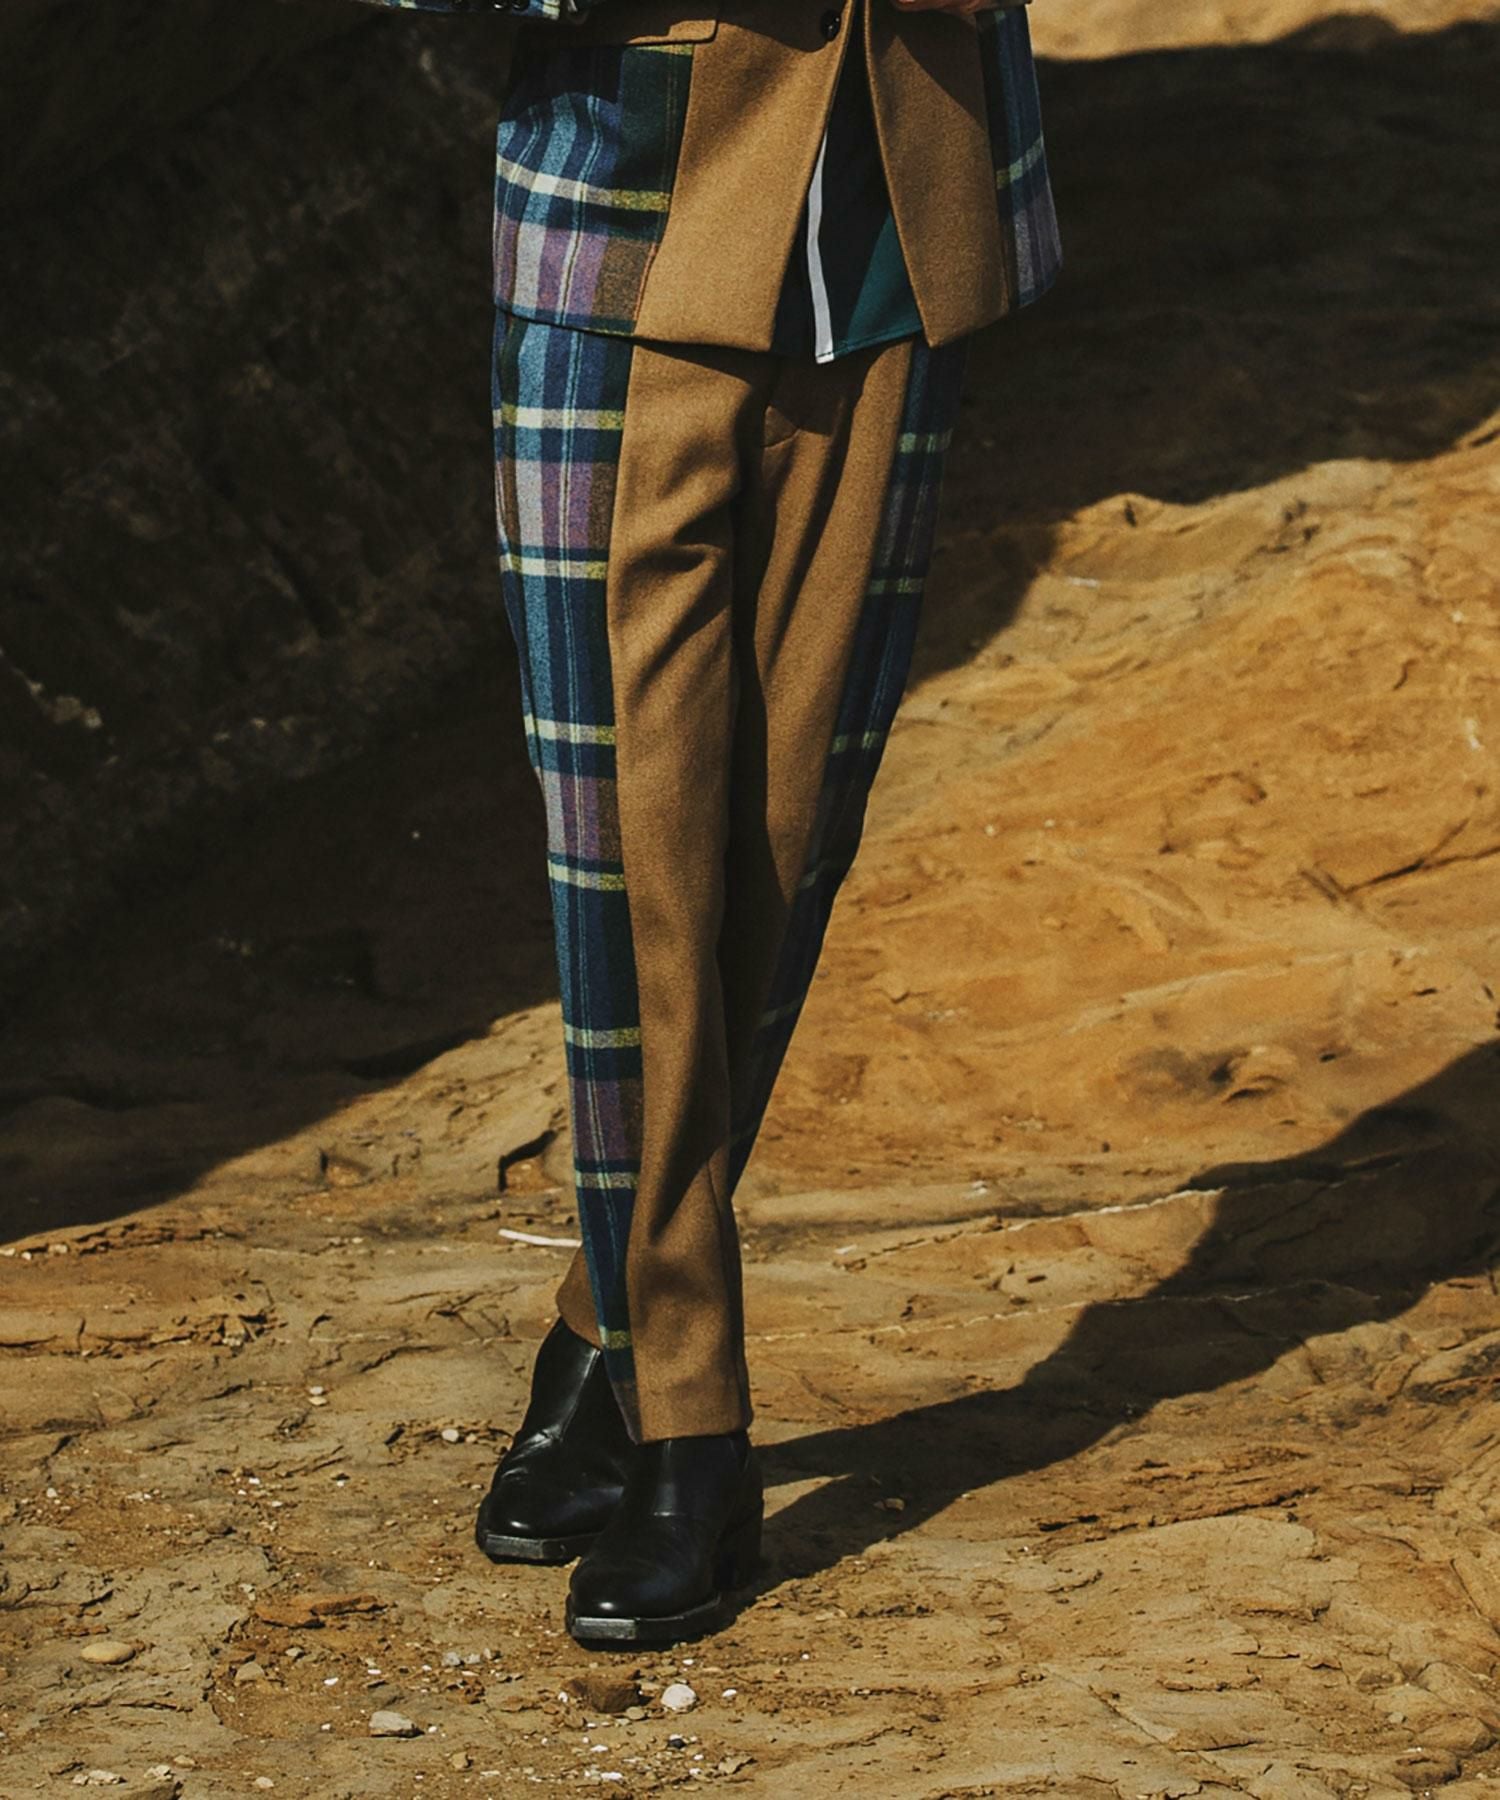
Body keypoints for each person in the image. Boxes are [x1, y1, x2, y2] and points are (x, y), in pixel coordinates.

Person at [353, 0, 1060, 1645]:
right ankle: (691, 1420)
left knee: (777, 854)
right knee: (633, 868)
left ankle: (604, 1329)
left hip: (903, 218)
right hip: (629, 242)